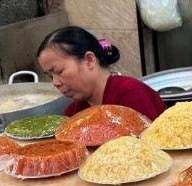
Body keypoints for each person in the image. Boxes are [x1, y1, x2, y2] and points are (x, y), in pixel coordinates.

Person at [36, 26, 166, 121]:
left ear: (89, 60)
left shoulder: (132, 95)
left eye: (59, 71)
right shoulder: (74, 112)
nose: (55, 83)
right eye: (50, 76)